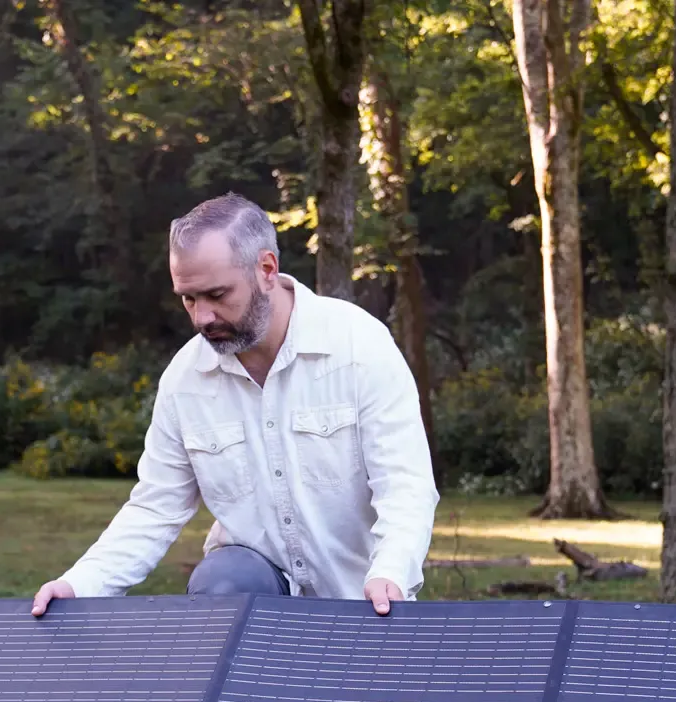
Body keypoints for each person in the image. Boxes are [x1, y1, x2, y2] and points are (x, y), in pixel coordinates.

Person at [31, 192, 438, 617]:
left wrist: (391, 572)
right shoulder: (184, 380)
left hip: (366, 598)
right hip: (248, 590)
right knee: (224, 578)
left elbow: (405, 486)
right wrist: (82, 583)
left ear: (266, 269)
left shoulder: (359, 346)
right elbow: (156, 506)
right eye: (188, 299)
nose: (202, 318)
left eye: (216, 294)